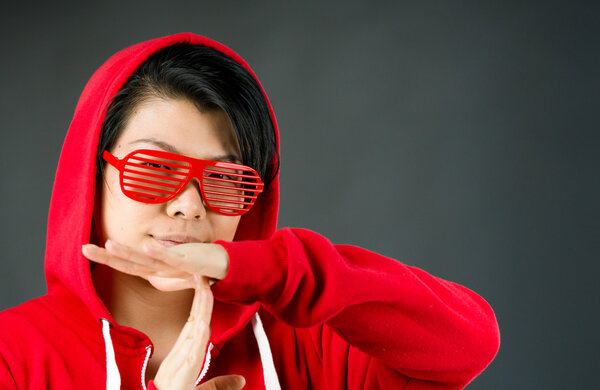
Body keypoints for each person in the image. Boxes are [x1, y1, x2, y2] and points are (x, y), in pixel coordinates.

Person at [0, 33, 500, 390]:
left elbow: (469, 343)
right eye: (153, 168)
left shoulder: (314, 346)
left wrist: (270, 269)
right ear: (92, 172)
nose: (189, 205)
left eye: (225, 179)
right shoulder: (13, 357)